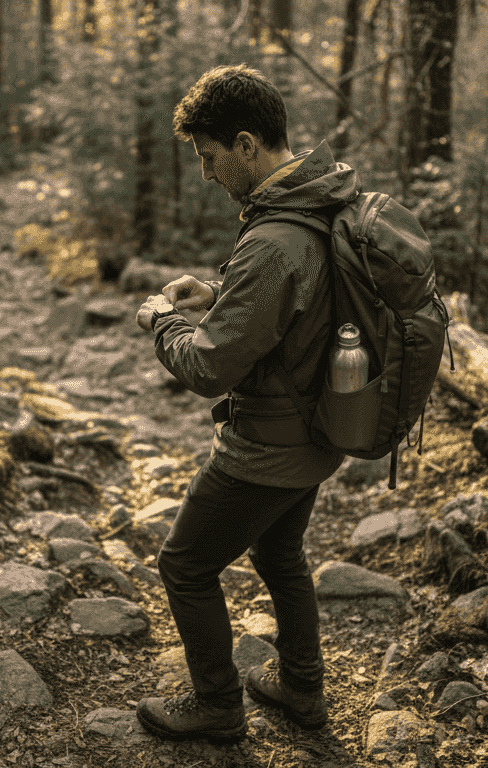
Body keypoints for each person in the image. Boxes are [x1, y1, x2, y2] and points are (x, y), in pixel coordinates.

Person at [131, 64, 359, 743]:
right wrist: (215, 293)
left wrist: (161, 321)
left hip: (268, 446)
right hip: (322, 433)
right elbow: (300, 303)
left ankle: (217, 705)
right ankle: (302, 688)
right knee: (280, 555)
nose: (205, 173)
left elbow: (206, 366)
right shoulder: (321, 200)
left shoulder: (272, 238)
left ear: (246, 143)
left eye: (208, 157)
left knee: (184, 564)